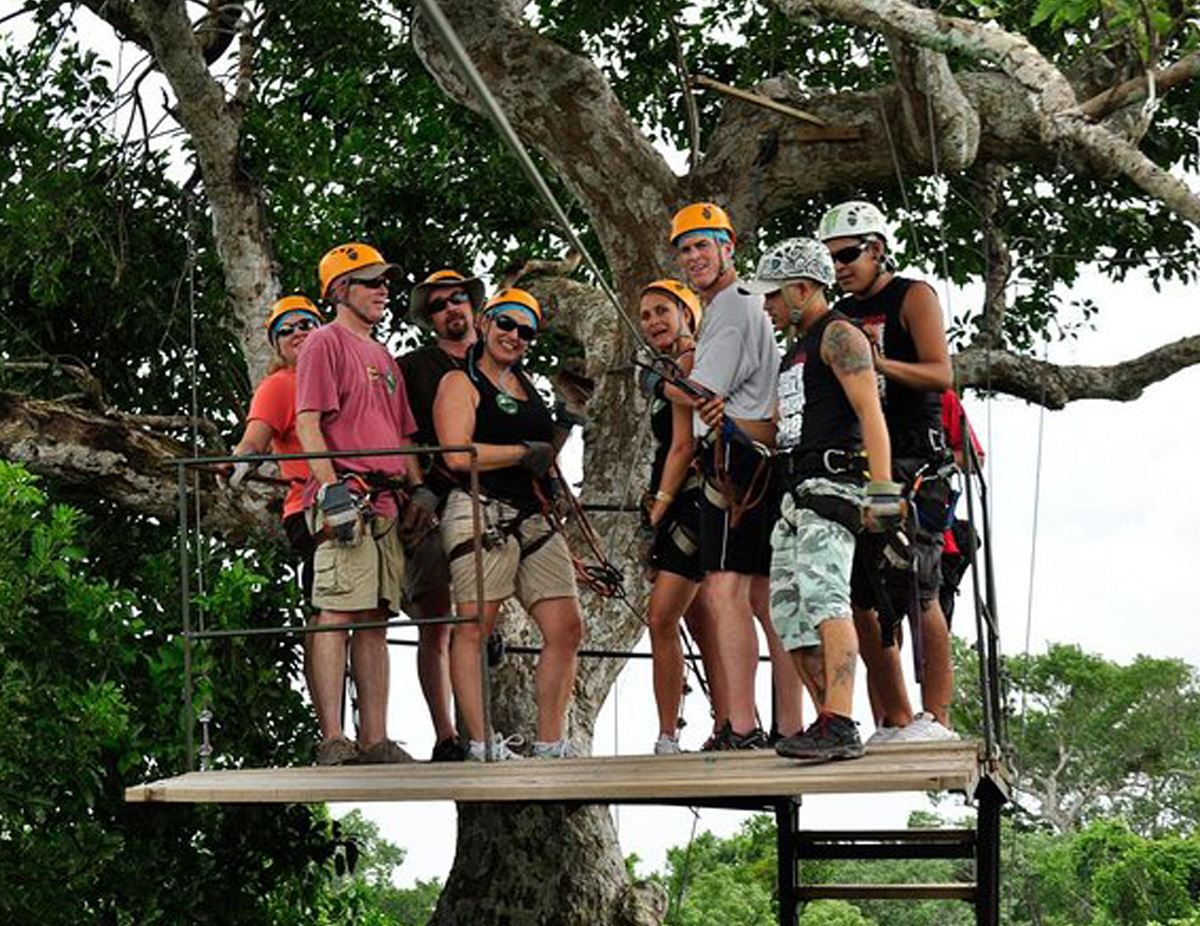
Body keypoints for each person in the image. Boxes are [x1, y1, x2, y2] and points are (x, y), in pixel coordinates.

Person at [730, 237, 899, 760]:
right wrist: (719, 416)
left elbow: (871, 413)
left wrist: (884, 491)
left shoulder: (839, 335)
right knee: (789, 613)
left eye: (774, 295)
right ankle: (828, 716)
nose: (767, 305)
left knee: (826, 600)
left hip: (832, 486)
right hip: (793, 492)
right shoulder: (794, 355)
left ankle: (842, 719)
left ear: (803, 288)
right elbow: (778, 428)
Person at [817, 201, 957, 744]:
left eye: (848, 255)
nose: (841, 268)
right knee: (862, 593)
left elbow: (940, 372)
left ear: (877, 249)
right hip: (862, 461)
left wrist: (876, 364)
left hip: (915, 459)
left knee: (920, 586)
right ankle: (896, 716)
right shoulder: (841, 314)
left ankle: (937, 716)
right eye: (831, 260)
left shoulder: (912, 295)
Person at [295, 242, 438, 766]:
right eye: (371, 281)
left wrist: (419, 488)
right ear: (338, 290)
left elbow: (401, 437)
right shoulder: (323, 343)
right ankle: (334, 738)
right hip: (346, 494)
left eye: (385, 281)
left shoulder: (382, 356)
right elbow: (309, 421)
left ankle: (375, 740)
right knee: (334, 612)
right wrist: (331, 491)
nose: (384, 290)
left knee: (376, 617)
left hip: (385, 502)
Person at [433, 287, 584, 761]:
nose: (514, 336)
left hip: (532, 512)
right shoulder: (460, 383)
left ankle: (550, 740)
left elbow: (541, 453)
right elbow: (457, 453)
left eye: (526, 331)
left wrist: (558, 442)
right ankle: (480, 743)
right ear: (486, 321)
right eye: (506, 324)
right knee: (476, 625)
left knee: (566, 626)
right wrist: (522, 453)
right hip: (481, 508)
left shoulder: (527, 387)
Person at [661, 202, 779, 749]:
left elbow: (698, 390)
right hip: (756, 457)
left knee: (724, 593)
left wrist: (662, 383)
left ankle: (740, 725)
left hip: (736, 462)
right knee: (758, 594)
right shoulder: (744, 303)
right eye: (685, 249)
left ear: (728, 248)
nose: (693, 258)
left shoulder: (732, 306)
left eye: (703, 246)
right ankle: (787, 722)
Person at [395, 269, 489, 763]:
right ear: (428, 319)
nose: (451, 308)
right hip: (436, 498)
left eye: (458, 299)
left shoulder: (498, 357)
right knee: (435, 623)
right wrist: (418, 491)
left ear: (473, 305)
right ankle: (448, 735)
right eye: (438, 305)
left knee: (483, 620)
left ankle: (483, 736)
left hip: (496, 502)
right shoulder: (413, 366)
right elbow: (403, 436)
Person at [635, 278, 720, 754]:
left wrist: (659, 506)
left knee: (662, 618)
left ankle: (669, 733)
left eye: (662, 311)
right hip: (684, 497)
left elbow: (684, 444)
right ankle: (729, 723)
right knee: (703, 623)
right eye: (646, 316)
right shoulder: (670, 370)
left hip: (686, 497)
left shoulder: (687, 364)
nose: (652, 322)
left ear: (687, 314)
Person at [229, 296, 323, 598]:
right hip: (312, 507)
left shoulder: (343, 378)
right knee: (331, 608)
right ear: (277, 345)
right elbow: (254, 440)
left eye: (306, 324)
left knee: (372, 609)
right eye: (285, 330)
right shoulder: (280, 384)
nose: (297, 332)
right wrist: (240, 462)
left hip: (365, 500)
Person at [939, 389, 985, 623]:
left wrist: (940, 457)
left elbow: (975, 458)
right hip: (871, 512)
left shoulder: (941, 397)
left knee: (931, 603)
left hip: (932, 523)